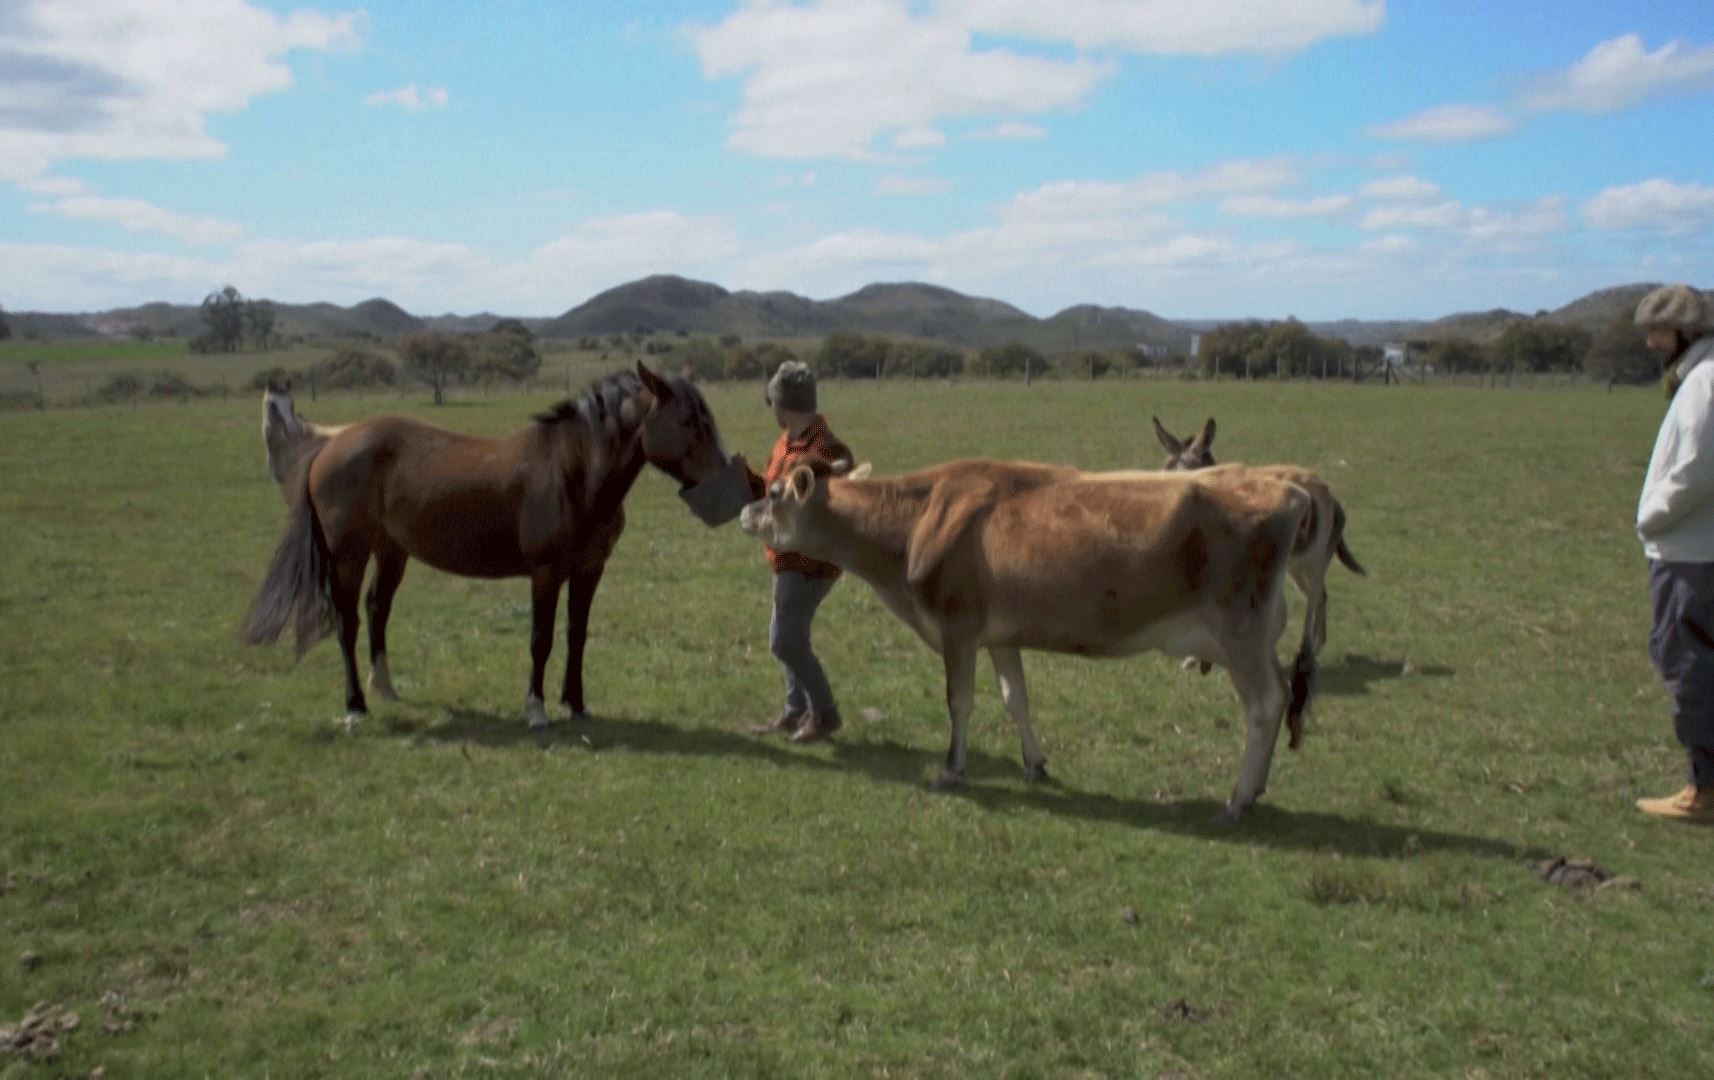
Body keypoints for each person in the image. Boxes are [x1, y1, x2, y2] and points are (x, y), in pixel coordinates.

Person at [740, 361, 854, 743]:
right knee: (793, 637)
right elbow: (776, 491)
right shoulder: (788, 441)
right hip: (785, 555)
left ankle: (824, 711)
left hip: (810, 563)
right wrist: (747, 477)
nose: (771, 408)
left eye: (772, 401)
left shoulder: (824, 448)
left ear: (784, 405)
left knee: (784, 640)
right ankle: (795, 711)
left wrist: (826, 468)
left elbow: (841, 472)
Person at [1634, 283, 1714, 824]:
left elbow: (1695, 471)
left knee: (1688, 664)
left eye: (1656, 331)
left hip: (1692, 551)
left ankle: (1703, 790)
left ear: (1683, 331)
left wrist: (1651, 515)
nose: (1649, 343)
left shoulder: (1706, 383)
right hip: (1693, 544)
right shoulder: (1699, 379)